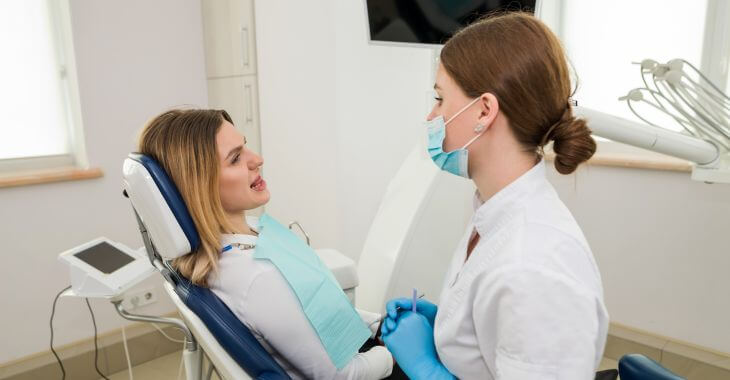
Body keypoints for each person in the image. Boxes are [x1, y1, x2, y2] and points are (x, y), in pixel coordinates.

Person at [380, 12, 609, 380]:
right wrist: (450, 328)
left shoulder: (535, 263)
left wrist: (427, 368)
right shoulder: (493, 211)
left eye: (440, 99)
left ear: (484, 111)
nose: (430, 116)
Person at [138, 109, 393, 379]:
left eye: (245, 145)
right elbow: (342, 376)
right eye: (235, 158)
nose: (257, 160)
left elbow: (315, 310)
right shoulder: (255, 278)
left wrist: (375, 324)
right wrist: (398, 350)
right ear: (198, 185)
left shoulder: (251, 232)